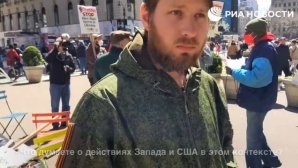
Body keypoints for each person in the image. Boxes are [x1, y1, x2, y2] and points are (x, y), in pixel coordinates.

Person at [64, 0, 235, 167]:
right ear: (147, 17)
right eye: (176, 12)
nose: (190, 30)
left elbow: (226, 154)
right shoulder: (102, 104)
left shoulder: (209, 86)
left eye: (199, 15)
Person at [226, 17, 282, 168]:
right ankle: (271, 160)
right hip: (260, 98)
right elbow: (256, 70)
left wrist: (234, 72)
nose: (246, 35)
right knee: (257, 131)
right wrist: (243, 67)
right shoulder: (262, 46)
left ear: (255, 33)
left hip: (259, 99)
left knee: (252, 138)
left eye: (247, 32)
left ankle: (254, 165)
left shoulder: (263, 49)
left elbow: (258, 79)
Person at [45, 38, 75, 130]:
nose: (64, 47)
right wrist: (55, 49)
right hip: (55, 84)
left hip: (66, 83)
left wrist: (69, 69)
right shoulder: (54, 55)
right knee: (55, 105)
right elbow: (47, 59)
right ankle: (55, 124)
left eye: (65, 45)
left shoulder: (68, 55)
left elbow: (73, 67)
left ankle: (64, 122)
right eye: (63, 45)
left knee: (66, 105)